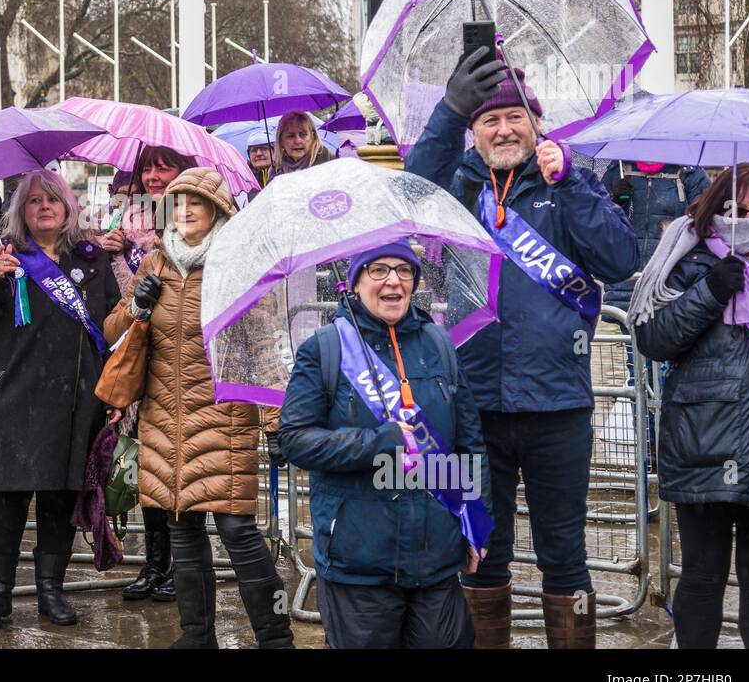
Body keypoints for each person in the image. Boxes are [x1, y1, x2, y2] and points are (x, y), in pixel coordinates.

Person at [406, 49, 639, 648]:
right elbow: (407, 194)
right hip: (473, 408)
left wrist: (572, 185)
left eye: (515, 117)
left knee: (565, 555)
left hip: (558, 407)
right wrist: (449, 110)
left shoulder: (570, 182)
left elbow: (619, 257)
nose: (505, 129)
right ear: (474, 133)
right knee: (483, 551)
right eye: (489, 120)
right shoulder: (454, 186)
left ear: (535, 123)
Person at [104, 167, 293, 649]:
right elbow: (112, 331)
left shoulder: (238, 263)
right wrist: (136, 307)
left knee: (238, 531)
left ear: (217, 211)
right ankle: (196, 636)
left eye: (196, 203)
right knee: (182, 526)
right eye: (177, 203)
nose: (185, 212)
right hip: (164, 416)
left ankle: (275, 637)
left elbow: (264, 347)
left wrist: (276, 422)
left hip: (224, 417)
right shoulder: (154, 263)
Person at [279, 241, 490, 648]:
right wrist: (379, 442)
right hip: (359, 561)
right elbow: (296, 439)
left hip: (437, 558)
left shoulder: (439, 345)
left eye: (403, 270)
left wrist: (474, 527)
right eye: (377, 270)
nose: (393, 280)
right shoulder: (325, 349)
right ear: (355, 283)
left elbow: (470, 443)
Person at [0, 169, 121, 632]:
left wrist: (112, 391)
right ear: (20, 211)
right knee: (6, 499)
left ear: (68, 206)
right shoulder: (2, 253)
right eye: (33, 201)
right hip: (12, 396)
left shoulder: (90, 259)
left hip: (74, 400)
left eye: (53, 199)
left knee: (60, 495)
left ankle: (51, 589)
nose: (44, 207)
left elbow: (108, 328)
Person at [631, 164, 749, 648]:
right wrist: (712, 290)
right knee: (701, 577)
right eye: (737, 210)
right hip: (703, 442)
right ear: (716, 206)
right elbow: (654, 336)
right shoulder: (686, 252)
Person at [95, 146, 196, 604]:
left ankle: (183, 564)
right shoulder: (123, 221)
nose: (154, 176)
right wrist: (112, 254)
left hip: (185, 367)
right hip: (140, 364)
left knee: (185, 472)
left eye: (164, 166)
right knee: (148, 469)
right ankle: (154, 563)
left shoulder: (193, 224)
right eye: (148, 167)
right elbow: (117, 304)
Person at [602, 161, 710, 311]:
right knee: (628, 331)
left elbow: (704, 226)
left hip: (670, 279)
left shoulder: (691, 173)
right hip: (625, 280)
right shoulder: (618, 170)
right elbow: (599, 227)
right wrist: (617, 202)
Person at [273, 111, 332, 175]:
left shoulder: (330, 162)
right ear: (281, 141)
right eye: (291, 136)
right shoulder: (275, 170)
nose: (297, 141)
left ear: (313, 136)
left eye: (303, 134)